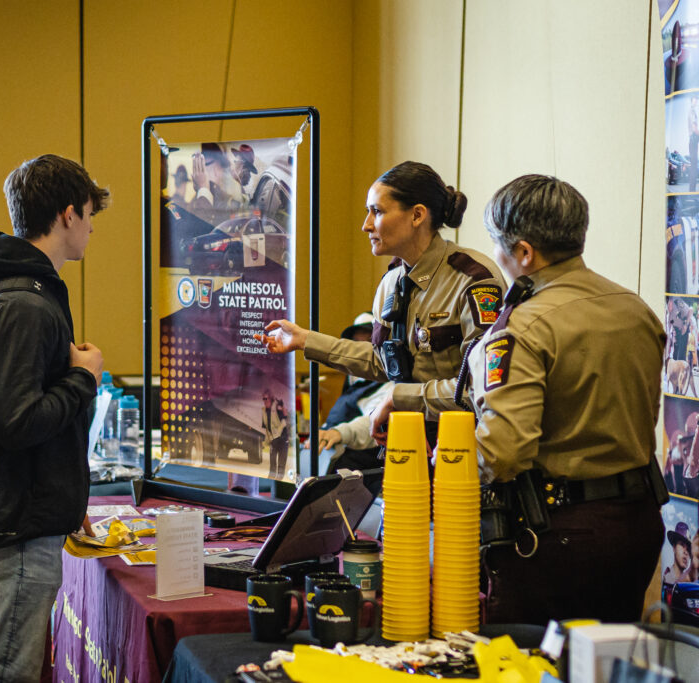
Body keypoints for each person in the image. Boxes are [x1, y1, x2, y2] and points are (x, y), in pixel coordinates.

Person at [464, 174, 666, 625]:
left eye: (498, 245)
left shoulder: (524, 327)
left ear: (523, 252)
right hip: (638, 522)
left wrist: (453, 458)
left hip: (556, 535)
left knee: (530, 666)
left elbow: (504, 452)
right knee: (607, 664)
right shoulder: (635, 308)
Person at [0, 154, 108, 682]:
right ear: (66, 215)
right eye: (87, 214)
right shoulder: (24, 305)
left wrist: (65, 494)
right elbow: (16, 422)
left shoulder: (15, 291)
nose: (89, 228)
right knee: (3, 674)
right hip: (12, 527)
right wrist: (83, 378)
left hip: (18, 513)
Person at [256, 161, 505, 443]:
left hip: (462, 451)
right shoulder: (392, 282)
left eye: (378, 211)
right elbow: (382, 362)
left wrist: (401, 397)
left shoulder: (474, 280)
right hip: (407, 444)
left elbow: (484, 389)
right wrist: (305, 340)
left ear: (417, 215)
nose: (366, 225)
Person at [315, 312, 393, 493]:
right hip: (328, 462)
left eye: (365, 344)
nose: (359, 351)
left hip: (359, 478)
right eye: (355, 344)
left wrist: (340, 432)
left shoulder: (388, 384)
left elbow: (373, 420)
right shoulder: (353, 381)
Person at [262, 389, 289, 479]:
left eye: (266, 399)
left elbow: (284, 421)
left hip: (283, 439)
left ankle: (279, 485)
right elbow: (266, 428)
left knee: (281, 467)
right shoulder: (264, 411)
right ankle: (270, 483)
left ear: (271, 398)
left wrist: (277, 434)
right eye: (263, 399)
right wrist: (266, 441)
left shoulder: (277, 407)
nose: (265, 401)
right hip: (273, 441)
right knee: (272, 465)